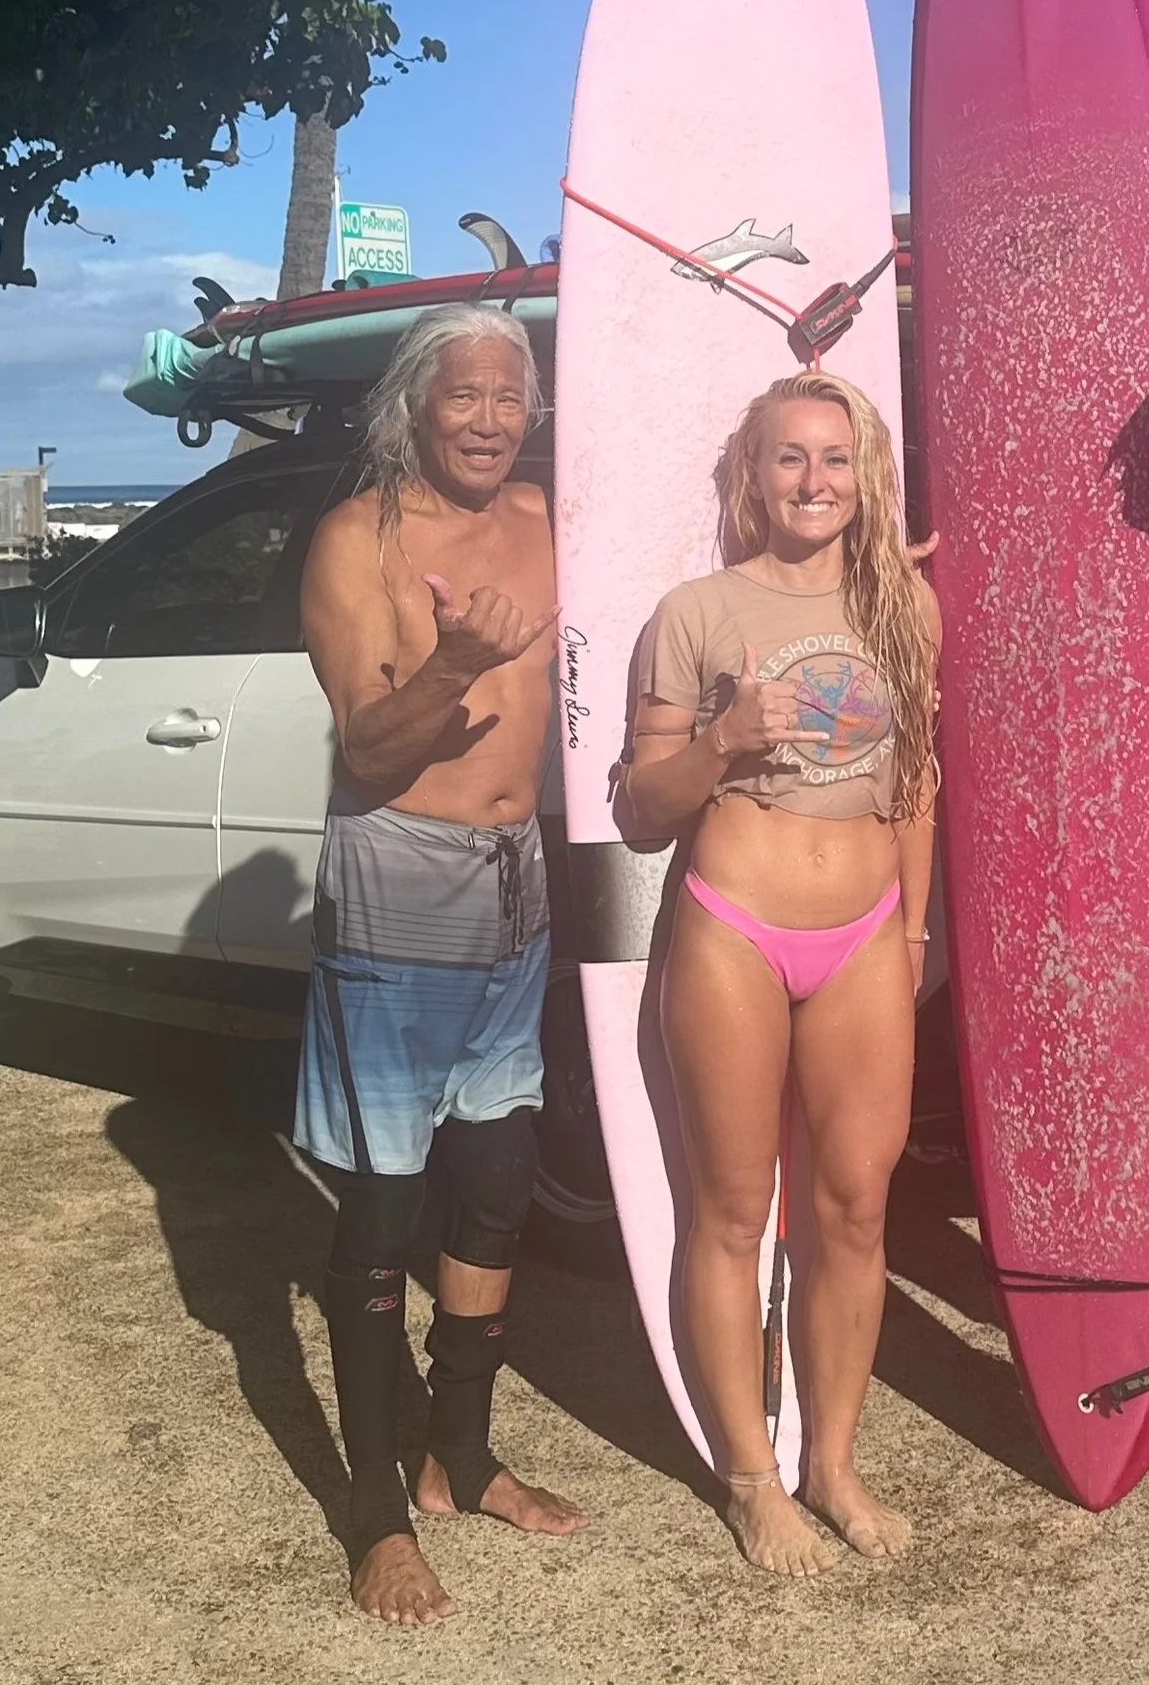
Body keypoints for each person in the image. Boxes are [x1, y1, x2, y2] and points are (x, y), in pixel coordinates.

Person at [622, 371, 939, 1578]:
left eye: (835, 458)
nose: (814, 480)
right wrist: (721, 742)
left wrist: (914, 934)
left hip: (866, 931)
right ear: (752, 479)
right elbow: (641, 809)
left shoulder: (905, 605)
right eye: (789, 458)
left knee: (854, 1209)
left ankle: (834, 1464)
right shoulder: (695, 611)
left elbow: (918, 781)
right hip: (733, 928)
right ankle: (754, 1481)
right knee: (731, 1211)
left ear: (866, 478)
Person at [297, 303, 586, 1626]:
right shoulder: (356, 541)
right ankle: (376, 1511)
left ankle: (458, 1454)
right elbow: (365, 749)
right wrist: (457, 661)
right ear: (413, 404)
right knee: (380, 1216)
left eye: (508, 395)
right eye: (462, 394)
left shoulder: (541, 514)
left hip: (517, 882)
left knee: (497, 1183)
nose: (487, 418)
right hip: (399, 882)